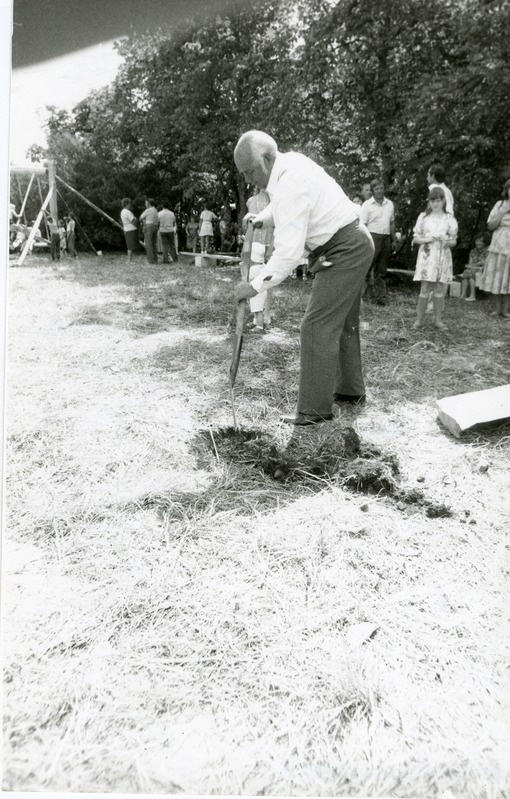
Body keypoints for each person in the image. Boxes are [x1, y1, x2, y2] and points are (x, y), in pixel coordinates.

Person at [233, 130, 374, 426]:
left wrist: (254, 287)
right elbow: (282, 206)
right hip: (353, 242)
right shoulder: (289, 165)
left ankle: (313, 410)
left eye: (250, 171)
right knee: (342, 323)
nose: (248, 179)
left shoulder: (290, 182)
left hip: (344, 250)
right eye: (243, 173)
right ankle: (349, 391)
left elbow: (287, 253)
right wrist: (262, 218)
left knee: (316, 326)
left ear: (267, 158)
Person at [411, 187, 458, 330]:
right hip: (427, 256)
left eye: (438, 201)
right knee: (424, 288)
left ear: (443, 201)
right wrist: (426, 239)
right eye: (432, 201)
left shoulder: (449, 218)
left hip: (442, 256)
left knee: (439, 289)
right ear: (429, 201)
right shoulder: (423, 217)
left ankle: (437, 320)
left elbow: (454, 241)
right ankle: (419, 319)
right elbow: (415, 239)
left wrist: (447, 242)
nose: (435, 204)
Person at [359, 178, 396, 304]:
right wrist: (364, 241)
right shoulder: (367, 205)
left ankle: (380, 297)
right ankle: (363, 296)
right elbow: (362, 225)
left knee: (382, 269)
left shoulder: (389, 204)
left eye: (381, 188)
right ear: (373, 191)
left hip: (386, 238)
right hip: (372, 237)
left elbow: (392, 223)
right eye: (376, 189)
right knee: (367, 267)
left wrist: (393, 240)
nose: (379, 191)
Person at [246, 189, 275, 333]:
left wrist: (272, 247)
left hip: (268, 244)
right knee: (254, 282)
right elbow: (249, 227)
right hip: (255, 246)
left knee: (267, 282)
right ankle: (256, 318)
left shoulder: (274, 200)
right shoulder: (250, 201)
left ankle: (266, 315)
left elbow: (277, 226)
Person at [481, 178, 510, 318]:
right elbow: (491, 226)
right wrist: (502, 212)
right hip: (497, 246)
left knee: (508, 277)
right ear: (507, 190)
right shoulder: (499, 205)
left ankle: (506, 310)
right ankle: (498, 309)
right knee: (497, 276)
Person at [460, 234, 488, 302]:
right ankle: (463, 294)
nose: (478, 243)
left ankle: (472, 295)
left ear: (485, 242)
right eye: (477, 241)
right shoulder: (473, 251)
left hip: (484, 270)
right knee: (467, 272)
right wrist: (477, 264)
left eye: (481, 241)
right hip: (474, 269)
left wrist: (476, 265)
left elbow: (486, 264)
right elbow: (470, 263)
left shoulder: (488, 251)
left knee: (470, 272)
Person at [139, 199, 159, 264]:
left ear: (149, 204)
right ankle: (155, 259)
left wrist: (144, 223)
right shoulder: (155, 210)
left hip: (149, 226)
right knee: (153, 243)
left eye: (146, 203)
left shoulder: (148, 210)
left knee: (148, 243)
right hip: (155, 226)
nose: (145, 205)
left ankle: (151, 260)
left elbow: (140, 218)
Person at [120, 198, 138, 263]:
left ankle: (130, 260)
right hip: (131, 229)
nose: (130, 205)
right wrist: (138, 223)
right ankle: (129, 260)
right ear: (126, 204)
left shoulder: (123, 211)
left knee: (130, 245)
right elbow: (133, 221)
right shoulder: (127, 212)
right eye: (129, 203)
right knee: (130, 246)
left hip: (127, 229)